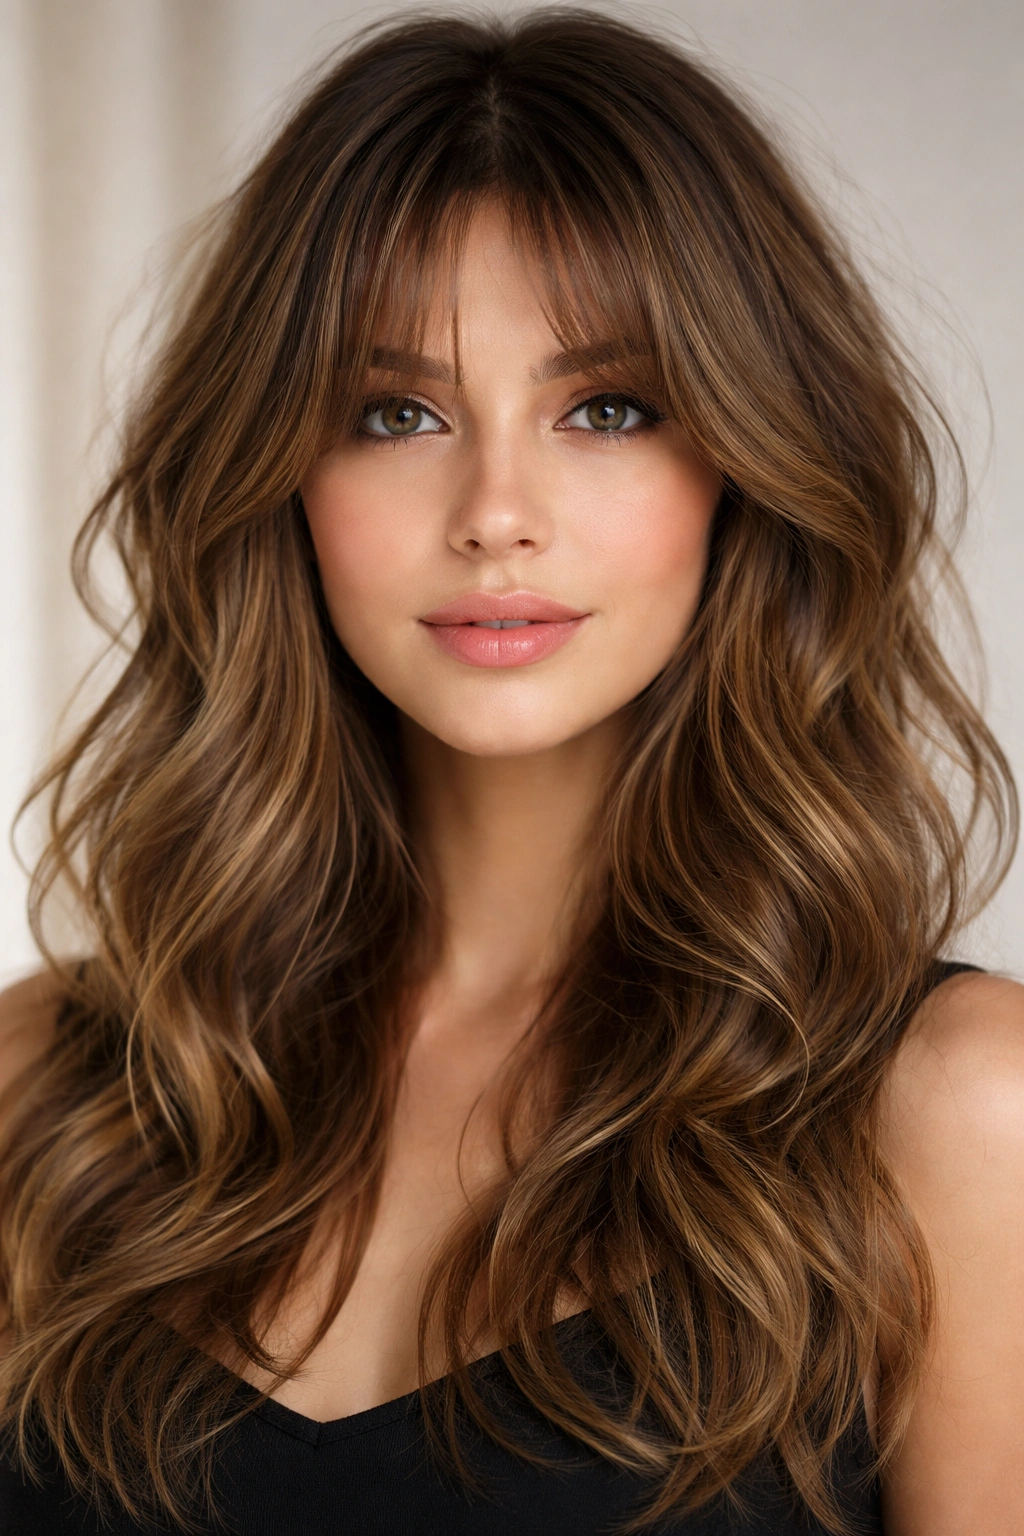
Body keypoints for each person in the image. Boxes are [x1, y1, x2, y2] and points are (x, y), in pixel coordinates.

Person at [0, 10, 1021, 1534]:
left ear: (746, 465)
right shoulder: (47, 1088)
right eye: (395, 413)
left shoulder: (955, 1112)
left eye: (606, 408)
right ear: (280, 478)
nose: (496, 511)